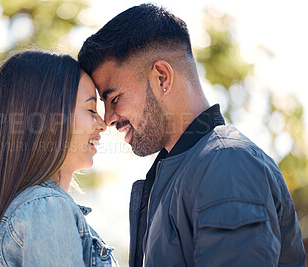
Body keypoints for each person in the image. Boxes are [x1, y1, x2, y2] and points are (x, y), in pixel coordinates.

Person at [78, 4, 306, 267]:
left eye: (114, 98)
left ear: (162, 77)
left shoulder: (227, 164)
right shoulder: (183, 172)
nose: (108, 119)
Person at [0, 50, 118, 267]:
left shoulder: (35, 210)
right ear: (49, 120)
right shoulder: (46, 208)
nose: (103, 124)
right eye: (91, 109)